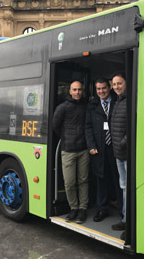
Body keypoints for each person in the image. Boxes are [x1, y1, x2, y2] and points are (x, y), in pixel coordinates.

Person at [85, 78, 123, 223]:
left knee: (119, 180)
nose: (101, 91)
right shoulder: (92, 105)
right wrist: (91, 146)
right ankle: (103, 209)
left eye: (104, 88)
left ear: (109, 88)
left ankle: (122, 209)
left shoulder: (117, 102)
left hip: (116, 148)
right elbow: (88, 127)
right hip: (99, 149)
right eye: (98, 89)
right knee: (101, 180)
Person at [52, 80, 89, 224]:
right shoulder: (62, 107)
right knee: (69, 182)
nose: (77, 92)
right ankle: (73, 207)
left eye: (79, 89)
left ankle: (83, 209)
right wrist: (65, 137)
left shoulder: (86, 106)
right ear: (70, 91)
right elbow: (55, 126)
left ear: (82, 90)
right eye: (75, 89)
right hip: (68, 150)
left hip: (84, 150)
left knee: (83, 181)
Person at [110, 72, 127, 240]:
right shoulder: (117, 101)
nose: (116, 87)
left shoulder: (129, 100)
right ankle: (124, 219)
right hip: (118, 154)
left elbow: (133, 126)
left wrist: (123, 142)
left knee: (128, 188)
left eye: (119, 83)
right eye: (114, 84)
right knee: (123, 188)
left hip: (127, 154)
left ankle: (129, 222)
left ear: (126, 83)